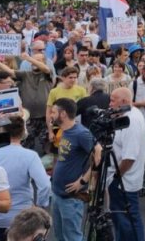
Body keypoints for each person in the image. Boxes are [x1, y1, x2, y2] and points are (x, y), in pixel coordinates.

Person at [0, 116, 50, 241]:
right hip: (22, 221)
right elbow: (45, 185)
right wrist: (40, 208)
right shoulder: (30, 156)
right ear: (23, 132)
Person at [50, 98, 96, 241]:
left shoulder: (81, 133)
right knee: (59, 236)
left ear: (62, 114)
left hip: (71, 199)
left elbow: (99, 155)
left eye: (53, 112)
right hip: (58, 194)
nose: (50, 115)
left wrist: (83, 181)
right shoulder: (64, 131)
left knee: (72, 237)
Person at [106, 87, 145, 241]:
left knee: (127, 220)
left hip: (124, 181)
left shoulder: (131, 121)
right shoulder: (129, 114)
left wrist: (116, 177)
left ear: (123, 101)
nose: (109, 103)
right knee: (125, 220)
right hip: (123, 179)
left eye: (112, 100)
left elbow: (129, 157)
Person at [46, 67, 88, 145]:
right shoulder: (54, 92)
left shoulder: (81, 90)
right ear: (63, 78)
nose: (73, 80)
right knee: (59, 152)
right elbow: (49, 113)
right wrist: (50, 131)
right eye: (70, 77)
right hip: (59, 127)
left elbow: (85, 110)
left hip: (76, 127)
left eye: (75, 77)